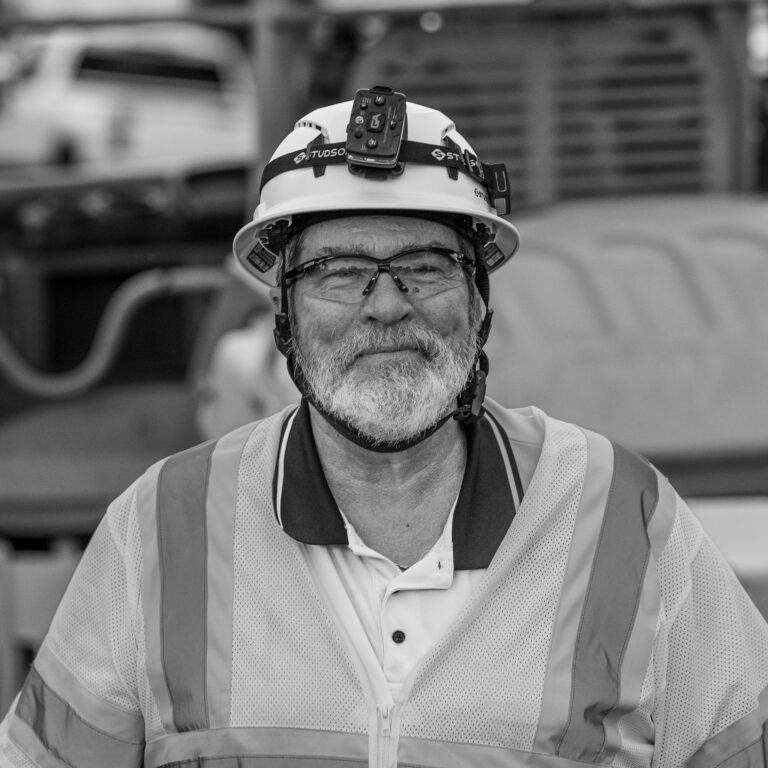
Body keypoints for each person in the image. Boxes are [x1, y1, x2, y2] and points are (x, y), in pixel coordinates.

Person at [2, 85, 767, 768]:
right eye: (339, 273)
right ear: (283, 314)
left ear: (479, 301)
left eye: (426, 266)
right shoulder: (161, 526)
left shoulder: (624, 515)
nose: (388, 305)